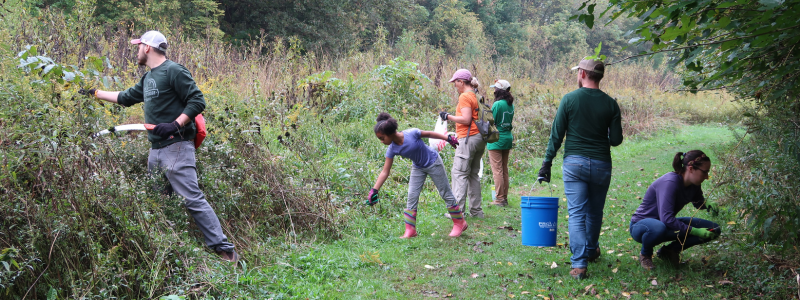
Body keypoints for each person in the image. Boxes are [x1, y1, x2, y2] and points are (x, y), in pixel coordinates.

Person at [79, 31, 238, 262]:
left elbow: (197, 101)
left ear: (146, 48)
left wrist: (175, 125)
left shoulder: (174, 70)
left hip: (177, 147)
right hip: (156, 151)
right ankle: (170, 253)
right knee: (158, 201)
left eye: (138, 46)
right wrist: (93, 93)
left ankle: (226, 253)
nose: (136, 50)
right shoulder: (149, 77)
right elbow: (126, 97)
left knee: (192, 199)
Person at [537, 58, 623, 279]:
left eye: (578, 72)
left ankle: (579, 265)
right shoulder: (611, 104)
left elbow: (557, 135)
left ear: (583, 74)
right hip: (602, 164)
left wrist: (547, 162)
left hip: (574, 163)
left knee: (576, 214)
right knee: (595, 212)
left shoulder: (569, 99)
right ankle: (592, 249)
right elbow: (615, 140)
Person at [368, 113, 467, 238]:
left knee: (445, 192)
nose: (382, 141)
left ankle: (460, 223)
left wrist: (448, 138)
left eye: (382, 138)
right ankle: (410, 230)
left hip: (433, 162)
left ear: (390, 133)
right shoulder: (392, 149)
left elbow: (430, 134)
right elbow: (385, 171)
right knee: (412, 196)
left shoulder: (411, 133)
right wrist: (375, 189)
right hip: (418, 167)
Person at [630, 150, 721, 270]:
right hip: (642, 226)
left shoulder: (694, 183)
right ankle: (645, 255)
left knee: (715, 229)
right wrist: (694, 231)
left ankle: (669, 251)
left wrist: (706, 204)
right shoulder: (670, 182)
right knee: (658, 227)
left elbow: (697, 202)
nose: (706, 177)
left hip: (665, 225)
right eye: (704, 172)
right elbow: (667, 218)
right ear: (690, 168)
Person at [439, 69, 487, 218]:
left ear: (461, 81)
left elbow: (466, 119)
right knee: (473, 174)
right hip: (479, 138)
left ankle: (457, 212)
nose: (454, 85)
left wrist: (448, 117)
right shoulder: (475, 94)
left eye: (455, 82)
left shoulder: (465, 96)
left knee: (459, 173)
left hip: (468, 138)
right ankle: (477, 211)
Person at [487, 79, 515, 207]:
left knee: (497, 170)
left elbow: (491, 121)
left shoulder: (497, 104)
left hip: (496, 139)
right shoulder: (510, 104)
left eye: (495, 88)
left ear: (499, 90)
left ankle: (499, 199)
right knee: (504, 169)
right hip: (507, 137)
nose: (493, 90)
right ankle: (504, 197)